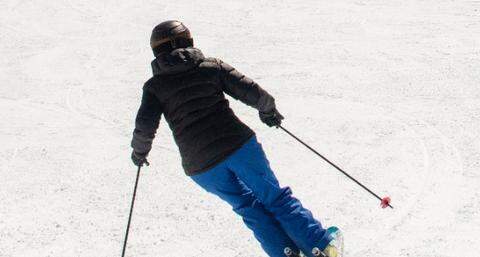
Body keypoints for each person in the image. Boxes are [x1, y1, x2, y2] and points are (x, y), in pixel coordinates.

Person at [130, 20, 341, 257]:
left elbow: (144, 126)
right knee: (274, 198)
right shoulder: (209, 67)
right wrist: (268, 111)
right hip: (238, 146)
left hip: (201, 166)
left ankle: (286, 253)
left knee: (250, 208)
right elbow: (251, 91)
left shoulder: (154, 87)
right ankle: (321, 247)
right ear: (188, 41)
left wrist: (140, 153)